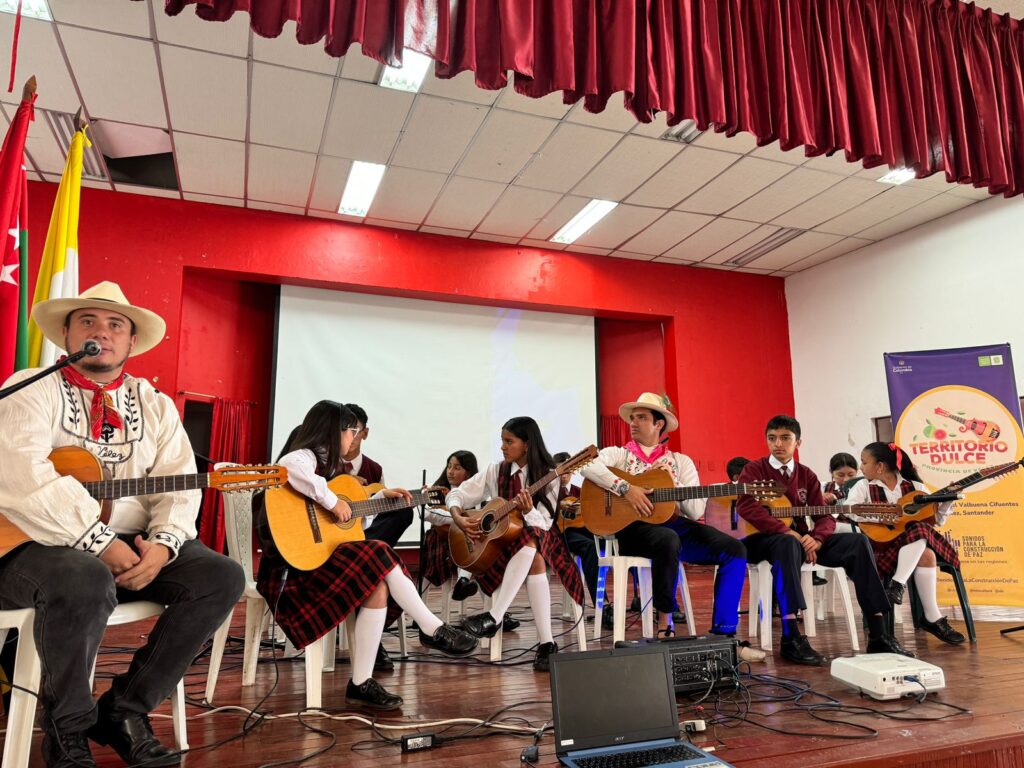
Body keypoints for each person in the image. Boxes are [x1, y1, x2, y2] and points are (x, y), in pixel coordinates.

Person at [0, 282, 246, 768]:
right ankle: (66, 732)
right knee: (83, 573)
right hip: (34, 550)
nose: (102, 333)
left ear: (131, 343)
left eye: (116, 325)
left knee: (221, 575)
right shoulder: (30, 387)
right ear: (67, 333)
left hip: (133, 548)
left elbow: (178, 484)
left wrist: (164, 544)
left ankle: (124, 710)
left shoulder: (153, 404)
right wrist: (99, 542)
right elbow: (22, 473)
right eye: (88, 321)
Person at [256, 400, 478, 711]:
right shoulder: (303, 456)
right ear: (337, 431)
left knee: (379, 584)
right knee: (379, 552)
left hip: (321, 561)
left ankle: (360, 682)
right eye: (352, 432)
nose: (353, 439)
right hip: (292, 571)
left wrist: (376, 496)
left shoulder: (332, 468)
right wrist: (334, 503)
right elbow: (290, 468)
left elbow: (351, 519)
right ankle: (431, 627)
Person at [579, 393, 755, 660]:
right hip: (632, 530)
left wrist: (674, 485)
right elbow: (587, 465)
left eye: (642, 418)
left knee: (734, 549)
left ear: (659, 424)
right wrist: (627, 489)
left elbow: (695, 511)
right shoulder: (618, 454)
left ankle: (724, 632)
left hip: (674, 525)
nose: (633, 423)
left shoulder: (680, 462)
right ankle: (665, 622)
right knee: (667, 539)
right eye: (633, 417)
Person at [737, 415, 909, 665]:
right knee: (788, 544)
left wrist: (817, 538)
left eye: (785, 438)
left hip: (802, 541)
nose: (778, 444)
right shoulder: (754, 470)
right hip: (762, 540)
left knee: (857, 543)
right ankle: (791, 637)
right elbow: (747, 507)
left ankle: (878, 633)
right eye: (772, 438)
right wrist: (786, 532)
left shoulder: (806, 475)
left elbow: (824, 514)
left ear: (798, 442)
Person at [447, 417, 586, 671]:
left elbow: (544, 523)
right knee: (531, 552)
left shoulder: (549, 476)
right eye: (502, 440)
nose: (502, 446)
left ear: (527, 445)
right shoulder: (495, 470)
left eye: (509, 441)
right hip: (501, 544)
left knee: (531, 541)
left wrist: (529, 510)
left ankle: (495, 616)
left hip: (544, 539)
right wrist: (457, 515)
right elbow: (458, 492)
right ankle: (546, 644)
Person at [844, 442, 965, 645]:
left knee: (922, 535)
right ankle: (926, 612)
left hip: (909, 547)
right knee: (924, 544)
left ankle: (903, 590)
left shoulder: (915, 487)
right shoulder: (863, 486)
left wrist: (948, 500)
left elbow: (938, 520)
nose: (861, 468)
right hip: (878, 548)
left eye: (864, 462)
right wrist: (882, 517)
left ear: (880, 466)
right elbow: (850, 509)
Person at [552, 451, 613, 631]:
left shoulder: (581, 492)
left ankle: (640, 597)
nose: (564, 475)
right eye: (560, 471)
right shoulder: (550, 493)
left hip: (586, 531)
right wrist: (559, 507)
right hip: (564, 534)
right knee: (590, 549)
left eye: (567, 471)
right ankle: (603, 606)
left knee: (616, 541)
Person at [340, 403, 414, 547]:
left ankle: (369, 551)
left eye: (354, 431)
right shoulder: (323, 464)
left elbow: (379, 516)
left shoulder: (375, 470)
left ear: (365, 433)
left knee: (404, 512)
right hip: (327, 534)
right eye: (343, 429)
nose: (348, 436)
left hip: (360, 533)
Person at [422, 450, 481, 602]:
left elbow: (478, 517)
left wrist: (449, 514)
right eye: (449, 466)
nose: (450, 471)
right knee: (467, 539)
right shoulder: (436, 490)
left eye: (457, 468)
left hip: (466, 537)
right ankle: (463, 583)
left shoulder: (476, 493)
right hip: (440, 538)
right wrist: (456, 516)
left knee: (477, 544)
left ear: (468, 473)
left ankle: (493, 609)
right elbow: (427, 514)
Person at [823, 452, 860, 535]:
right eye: (840, 475)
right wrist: (820, 497)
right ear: (831, 472)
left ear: (857, 471)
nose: (846, 479)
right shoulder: (824, 487)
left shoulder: (862, 489)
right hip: (832, 532)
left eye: (851, 475)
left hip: (859, 530)